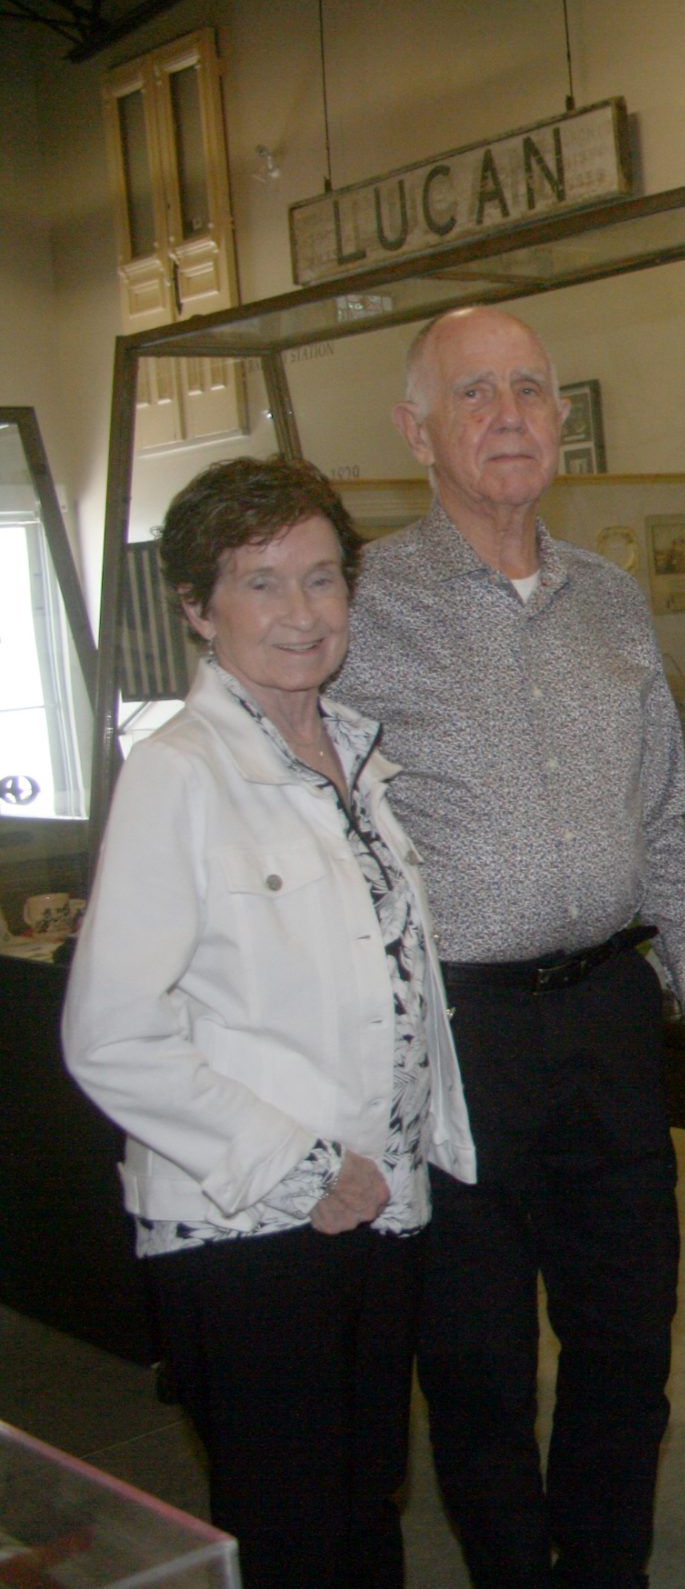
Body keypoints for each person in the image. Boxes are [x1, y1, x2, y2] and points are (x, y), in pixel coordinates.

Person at [334, 307, 685, 1588]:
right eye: (473, 392)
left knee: (626, 1341)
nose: (509, 413)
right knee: (475, 1363)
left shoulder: (613, 599)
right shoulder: (364, 603)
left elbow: (659, 822)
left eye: (528, 386)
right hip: (457, 1035)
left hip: (604, 1017)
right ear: (417, 431)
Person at [64, 457, 476, 1587]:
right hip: (253, 1225)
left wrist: (400, 1159)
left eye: (322, 578)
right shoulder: (179, 775)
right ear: (199, 608)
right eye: (260, 583)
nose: (301, 613)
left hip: (378, 1207)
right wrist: (300, 1166)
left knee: (363, 1508)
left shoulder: (351, 751)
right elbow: (111, 1032)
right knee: (295, 1526)